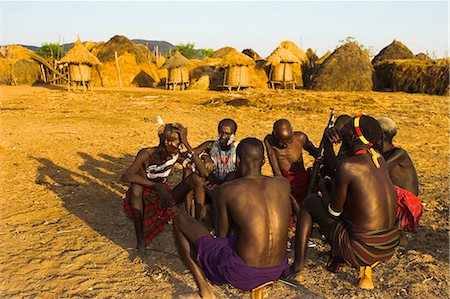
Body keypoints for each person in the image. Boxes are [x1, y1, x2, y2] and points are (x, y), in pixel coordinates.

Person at [289, 115, 400, 289]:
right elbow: (338, 170)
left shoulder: (349, 167)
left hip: (362, 250)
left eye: (345, 129)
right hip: (388, 244)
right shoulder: (377, 157)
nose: (340, 133)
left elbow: (334, 211)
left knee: (310, 202)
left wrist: (323, 187)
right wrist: (326, 141)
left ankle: (296, 268)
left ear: (352, 137)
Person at [173, 138, 291, 299]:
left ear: (238, 161)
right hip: (278, 268)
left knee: (180, 219)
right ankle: (260, 284)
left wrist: (215, 197)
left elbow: (222, 236)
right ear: (263, 161)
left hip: (242, 274)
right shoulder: (283, 184)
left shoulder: (228, 189)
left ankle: (204, 291)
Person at [121, 123, 208, 255]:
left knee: (197, 179)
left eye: (182, 143)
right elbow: (127, 176)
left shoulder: (176, 155)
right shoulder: (147, 154)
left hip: (163, 192)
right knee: (135, 188)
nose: (181, 147)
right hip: (146, 193)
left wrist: (186, 142)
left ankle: (198, 227)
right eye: (179, 143)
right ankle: (140, 240)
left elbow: (203, 173)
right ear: (167, 142)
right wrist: (156, 186)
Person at [183, 118, 239, 222]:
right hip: (213, 184)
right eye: (220, 132)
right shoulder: (211, 145)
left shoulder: (238, 148)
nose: (222, 136)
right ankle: (191, 215)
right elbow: (191, 154)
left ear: (233, 135)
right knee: (191, 173)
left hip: (230, 188)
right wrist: (205, 157)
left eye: (227, 134)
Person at [375, 116, 422, 233]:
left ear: (381, 136)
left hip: (407, 204)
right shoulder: (382, 153)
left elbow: (377, 171)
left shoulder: (399, 153)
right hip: (398, 200)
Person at [264, 119, 318, 216]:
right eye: (282, 143)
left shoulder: (300, 138)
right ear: (275, 136)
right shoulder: (270, 142)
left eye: (289, 140)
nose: (287, 145)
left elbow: (315, 152)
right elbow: (276, 170)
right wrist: (289, 196)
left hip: (303, 179)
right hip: (285, 181)